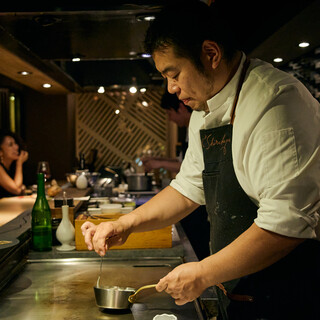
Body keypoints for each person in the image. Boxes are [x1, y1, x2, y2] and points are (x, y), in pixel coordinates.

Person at [82, 1, 320, 319]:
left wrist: (203, 273)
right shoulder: (204, 109)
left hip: (286, 296)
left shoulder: (275, 104)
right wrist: (127, 224)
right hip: (236, 292)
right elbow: (187, 189)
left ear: (210, 54)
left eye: (174, 73)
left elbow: (287, 224)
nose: (172, 88)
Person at [142, 90, 210, 260]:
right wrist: (157, 159)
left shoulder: (201, 125)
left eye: (169, 113)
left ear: (181, 107)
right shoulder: (190, 129)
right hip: (194, 201)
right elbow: (184, 160)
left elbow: (195, 167)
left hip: (200, 202)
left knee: (201, 245)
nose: (169, 118)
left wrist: (159, 163)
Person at [0, 129, 29, 198]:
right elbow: (16, 190)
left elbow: (18, 188)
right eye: (10, 145)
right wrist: (19, 163)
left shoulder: (11, 167)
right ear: (0, 152)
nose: (16, 147)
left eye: (15, 143)